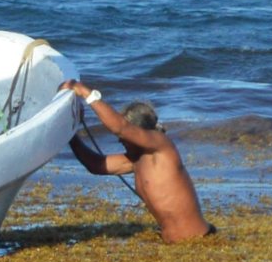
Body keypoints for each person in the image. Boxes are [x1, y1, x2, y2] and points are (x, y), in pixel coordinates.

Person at [65, 81, 212, 242]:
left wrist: (85, 92)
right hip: (175, 246)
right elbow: (95, 165)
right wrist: (71, 135)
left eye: (124, 139)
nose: (120, 141)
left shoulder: (161, 145)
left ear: (138, 134)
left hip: (199, 241)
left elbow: (120, 127)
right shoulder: (136, 159)